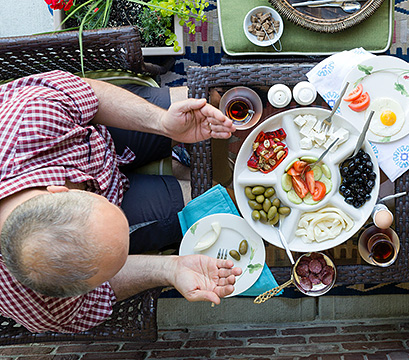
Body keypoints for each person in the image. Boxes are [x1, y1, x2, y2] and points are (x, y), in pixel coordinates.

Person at [0, 70, 242, 333]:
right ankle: (176, 167)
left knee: (211, 100)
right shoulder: (39, 307)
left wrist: (161, 122)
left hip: (96, 132)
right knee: (220, 206)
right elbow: (99, 296)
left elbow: (90, 93)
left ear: (58, 190)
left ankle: (173, 158)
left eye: (100, 203)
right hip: (99, 169)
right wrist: (169, 269)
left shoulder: (31, 117)